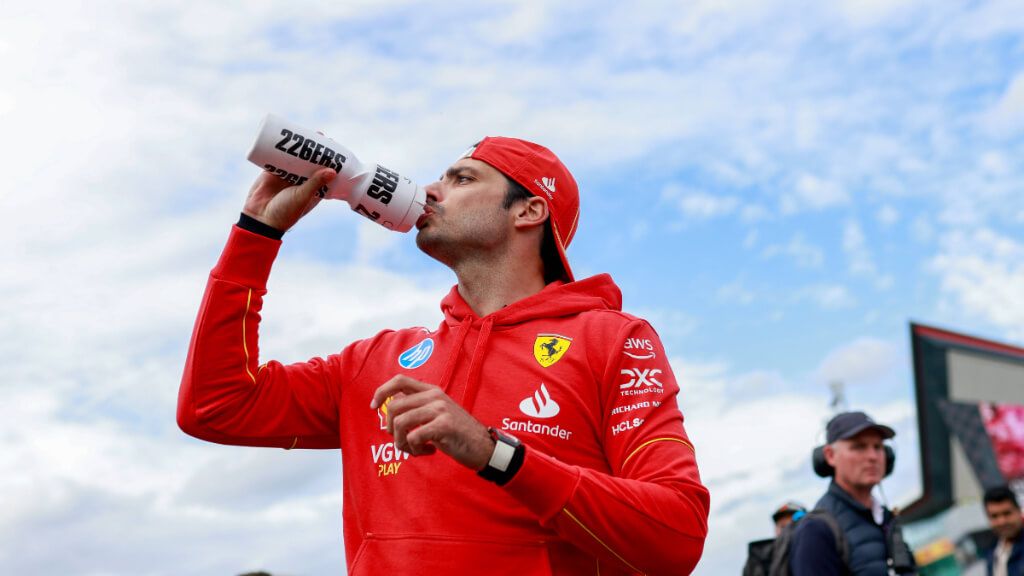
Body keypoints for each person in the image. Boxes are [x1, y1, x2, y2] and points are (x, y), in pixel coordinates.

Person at [177, 136, 710, 575]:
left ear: (529, 210)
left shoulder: (613, 340)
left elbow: (677, 537)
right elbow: (214, 407)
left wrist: (495, 454)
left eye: (462, 179)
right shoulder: (375, 361)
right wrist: (257, 231)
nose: (430, 190)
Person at [790, 411, 916, 575]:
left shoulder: (885, 518)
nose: (873, 456)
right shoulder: (816, 531)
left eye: (878, 447)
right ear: (830, 455)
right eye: (859, 447)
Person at [983, 485, 1024, 576]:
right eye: (994, 516)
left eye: (1007, 513)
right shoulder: (992, 551)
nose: (1002, 522)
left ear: (1019, 511)